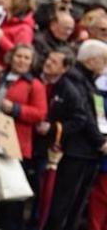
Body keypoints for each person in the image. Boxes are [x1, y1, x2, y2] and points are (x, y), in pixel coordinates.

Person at [44, 40, 107, 230]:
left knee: (75, 205)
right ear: (92, 60)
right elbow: (84, 116)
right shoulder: (74, 80)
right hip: (75, 151)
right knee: (64, 202)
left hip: (88, 152)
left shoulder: (89, 82)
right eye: (104, 60)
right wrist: (100, 141)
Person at [0, 44, 47, 230]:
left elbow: (40, 113)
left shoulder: (35, 85)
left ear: (32, 63)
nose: (22, 61)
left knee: (11, 198)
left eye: (26, 58)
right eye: (19, 56)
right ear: (11, 57)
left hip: (17, 144)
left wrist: (16, 109)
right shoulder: (0, 76)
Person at [0, 0, 36, 66]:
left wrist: (1, 39)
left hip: (0, 68)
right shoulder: (3, 19)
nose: (4, 0)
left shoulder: (24, 29)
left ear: (16, 2)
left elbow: (21, 56)